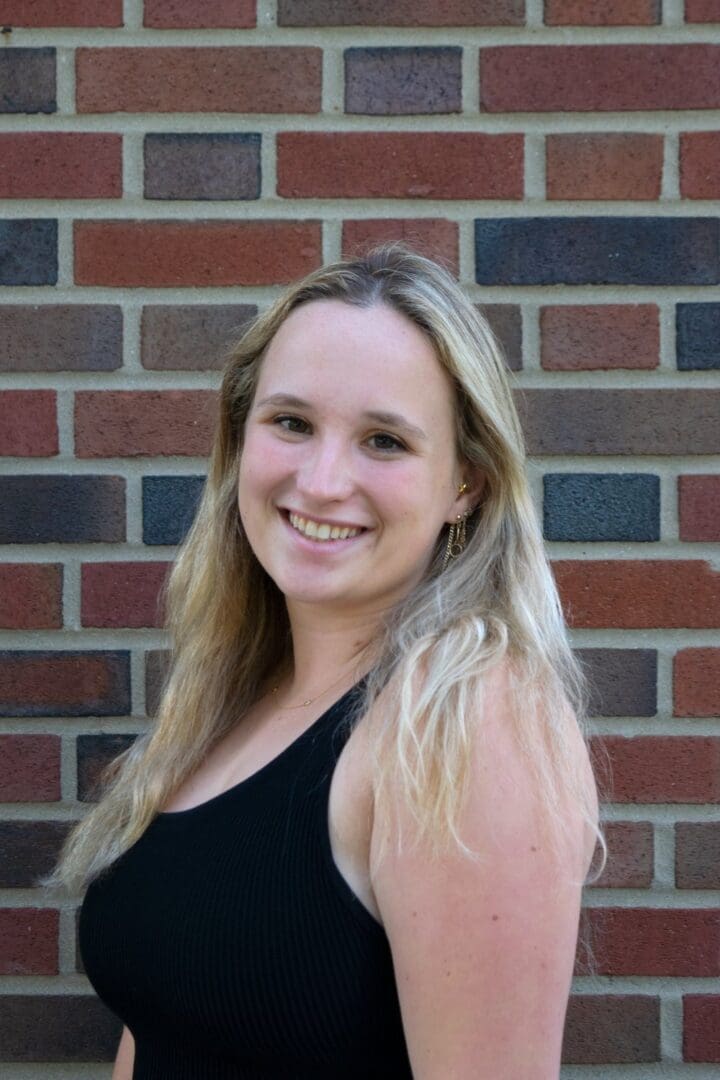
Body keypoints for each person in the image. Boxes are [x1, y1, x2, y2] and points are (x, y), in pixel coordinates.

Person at [50, 245, 601, 1079]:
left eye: (384, 440)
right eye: (292, 423)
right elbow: (161, 1022)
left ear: (466, 485)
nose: (322, 479)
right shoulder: (236, 698)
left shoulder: (469, 714)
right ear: (241, 440)